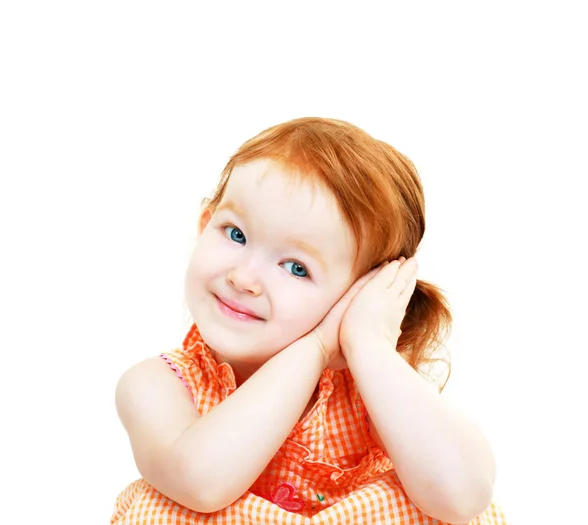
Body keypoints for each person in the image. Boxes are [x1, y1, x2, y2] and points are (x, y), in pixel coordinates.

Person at [110, 117, 508, 524]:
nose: (243, 278)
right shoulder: (157, 385)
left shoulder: (369, 389)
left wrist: (368, 343)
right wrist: (316, 347)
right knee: (164, 507)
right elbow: (200, 483)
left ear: (359, 296)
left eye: (296, 268)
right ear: (204, 225)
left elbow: (464, 498)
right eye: (235, 234)